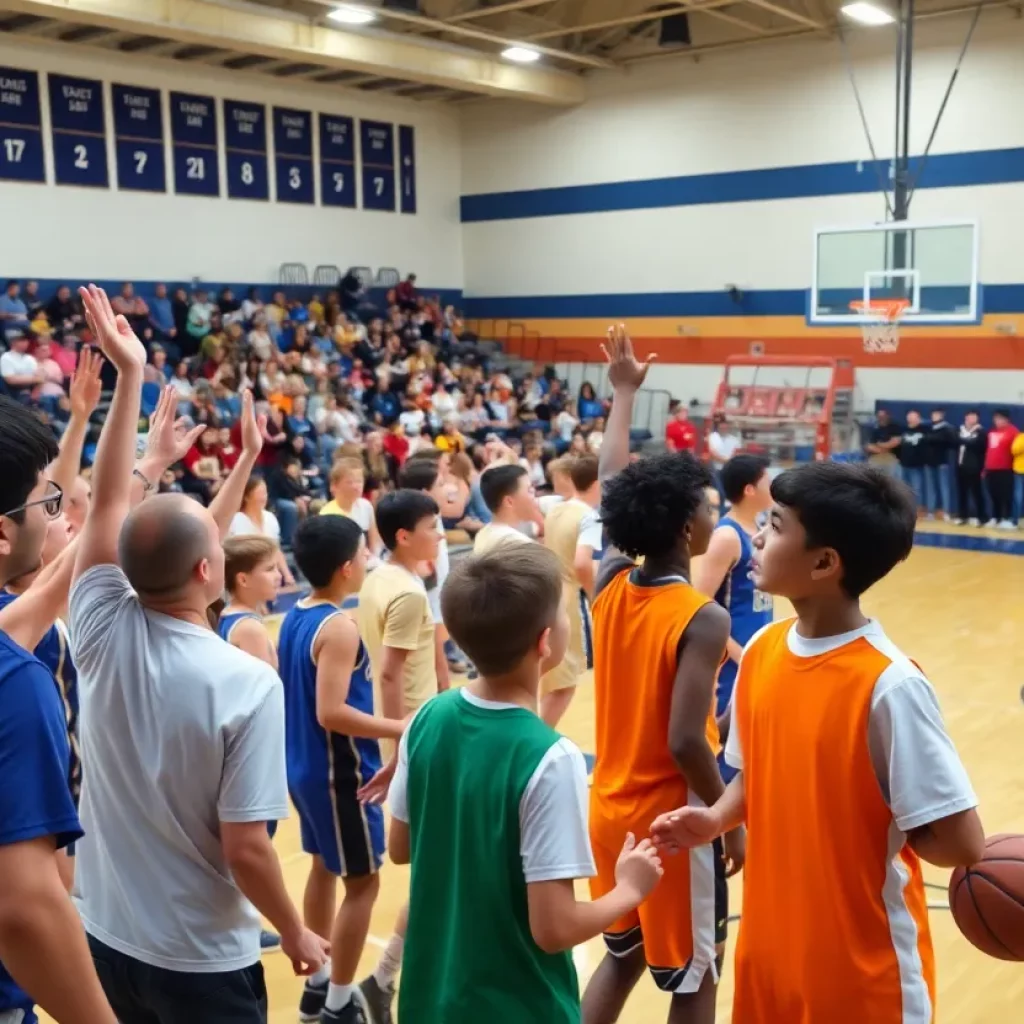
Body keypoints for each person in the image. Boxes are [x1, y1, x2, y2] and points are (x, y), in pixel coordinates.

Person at [68, 286, 328, 1023]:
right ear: (211, 573)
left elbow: (114, 504)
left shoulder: (97, 626)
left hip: (106, 935)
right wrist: (296, 930)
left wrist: (130, 380)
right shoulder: (247, 681)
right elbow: (247, 850)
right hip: (199, 956)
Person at [652, 460, 985, 1024]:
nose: (757, 534)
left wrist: (888, 815)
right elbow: (760, 773)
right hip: (771, 954)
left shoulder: (891, 685)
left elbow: (962, 844)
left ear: (825, 563)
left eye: (777, 526)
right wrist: (716, 820)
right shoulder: (762, 648)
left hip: (861, 970)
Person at [376, 543, 663, 1024]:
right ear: (545, 641)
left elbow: (401, 847)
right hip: (516, 1005)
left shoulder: (425, 718)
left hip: (431, 999)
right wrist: (628, 891)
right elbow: (553, 928)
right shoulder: (548, 757)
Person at [582, 325, 737, 1024]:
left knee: (622, 958)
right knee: (694, 978)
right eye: (707, 506)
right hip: (674, 819)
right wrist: (722, 817)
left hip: (609, 810)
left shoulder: (611, 581)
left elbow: (614, 484)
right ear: (682, 527)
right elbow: (683, 740)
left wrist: (621, 394)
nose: (714, 513)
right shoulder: (701, 616)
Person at [0, 393, 120, 1024]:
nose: (58, 515)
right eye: (49, 504)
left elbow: (48, 584)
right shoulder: (18, 676)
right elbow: (22, 906)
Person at [279, 517, 407, 1024]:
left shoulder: (296, 614)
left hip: (304, 766)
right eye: (363, 551)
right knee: (363, 883)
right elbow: (330, 711)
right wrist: (400, 725)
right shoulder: (339, 627)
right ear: (346, 566)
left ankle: (315, 982)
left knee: (322, 866)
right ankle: (337, 1003)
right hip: (338, 772)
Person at [693, 455, 774, 782]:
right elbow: (698, 604)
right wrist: (737, 652)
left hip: (758, 653)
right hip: (732, 661)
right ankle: (716, 823)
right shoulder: (726, 537)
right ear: (750, 489)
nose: (773, 485)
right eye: (767, 479)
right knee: (727, 748)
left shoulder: (762, 528)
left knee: (752, 745)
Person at [538, 453, 602, 729]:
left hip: (546, 594)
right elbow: (582, 564)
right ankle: (535, 742)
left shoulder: (556, 509)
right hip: (570, 601)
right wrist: (595, 596)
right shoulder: (589, 517)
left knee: (548, 678)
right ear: (599, 483)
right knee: (564, 684)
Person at [228, 476, 295, 586]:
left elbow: (276, 550)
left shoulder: (270, 517)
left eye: (265, 493)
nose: (264, 497)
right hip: (246, 576)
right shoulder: (235, 520)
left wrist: (287, 575)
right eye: (260, 493)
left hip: (271, 574)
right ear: (247, 497)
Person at [320, 458, 382, 563]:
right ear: (334, 486)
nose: (356, 486)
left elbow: (374, 538)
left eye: (359, 481)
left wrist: (374, 556)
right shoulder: (329, 513)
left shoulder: (366, 505)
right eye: (350, 482)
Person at [473, 464, 542, 555]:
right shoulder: (519, 545)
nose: (534, 495)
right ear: (509, 501)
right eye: (529, 490)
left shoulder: (483, 534)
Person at [984, 408, 1019, 528]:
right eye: (995, 418)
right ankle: (995, 517)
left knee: (1006, 494)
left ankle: (1007, 517)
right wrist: (985, 468)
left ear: (1006, 419)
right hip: (991, 468)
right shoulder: (992, 432)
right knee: (994, 494)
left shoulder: (1013, 432)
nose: (997, 421)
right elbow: (989, 451)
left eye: (1000, 418)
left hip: (1005, 469)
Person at [954, 409, 987, 526]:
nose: (972, 419)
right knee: (962, 492)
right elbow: (954, 441)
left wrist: (963, 441)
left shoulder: (981, 431)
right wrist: (964, 440)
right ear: (965, 417)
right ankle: (963, 516)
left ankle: (981, 517)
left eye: (974, 417)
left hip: (974, 466)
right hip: (960, 465)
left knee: (977, 492)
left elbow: (978, 444)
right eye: (970, 416)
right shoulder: (960, 430)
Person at [924, 408, 957, 520]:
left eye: (937, 414)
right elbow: (926, 440)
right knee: (931, 488)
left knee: (944, 487)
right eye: (933, 414)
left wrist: (933, 439)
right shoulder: (929, 428)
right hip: (929, 462)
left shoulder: (948, 429)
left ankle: (946, 511)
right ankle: (931, 511)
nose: (934, 416)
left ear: (942, 415)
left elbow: (951, 442)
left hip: (942, 462)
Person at [896, 409, 928, 513]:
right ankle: (904, 508)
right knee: (903, 488)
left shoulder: (924, 430)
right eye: (909, 416)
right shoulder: (903, 430)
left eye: (914, 417)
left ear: (919, 418)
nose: (911, 418)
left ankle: (918, 508)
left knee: (917, 488)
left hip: (917, 465)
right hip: (904, 464)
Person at [863, 408, 902, 477]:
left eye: (883, 416)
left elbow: (895, 443)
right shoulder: (874, 428)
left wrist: (879, 444)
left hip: (890, 459)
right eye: (879, 416)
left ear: (888, 416)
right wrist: (884, 448)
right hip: (875, 459)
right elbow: (868, 446)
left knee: (890, 482)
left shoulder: (895, 427)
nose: (881, 418)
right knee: (873, 481)